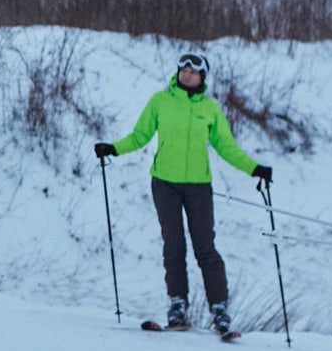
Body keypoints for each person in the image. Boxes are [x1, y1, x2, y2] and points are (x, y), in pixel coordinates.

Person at [94, 52, 272, 335]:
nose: (187, 74)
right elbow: (140, 136)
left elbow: (226, 147)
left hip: (198, 187)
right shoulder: (160, 101)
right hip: (164, 184)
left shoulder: (211, 109)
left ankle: (219, 311)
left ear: (203, 77)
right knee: (173, 246)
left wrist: (254, 169)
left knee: (206, 248)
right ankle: (178, 305)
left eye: (193, 71)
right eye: (183, 70)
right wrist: (113, 148)